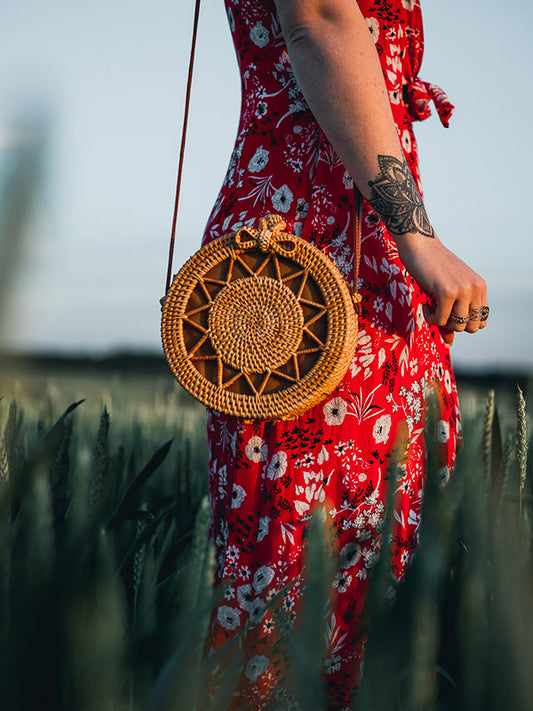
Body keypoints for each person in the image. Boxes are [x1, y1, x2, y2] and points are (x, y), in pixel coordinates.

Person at [200, 0, 487, 707]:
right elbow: (322, 19)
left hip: (331, 231)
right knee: (304, 559)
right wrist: (413, 236)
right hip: (312, 259)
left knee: (351, 555)